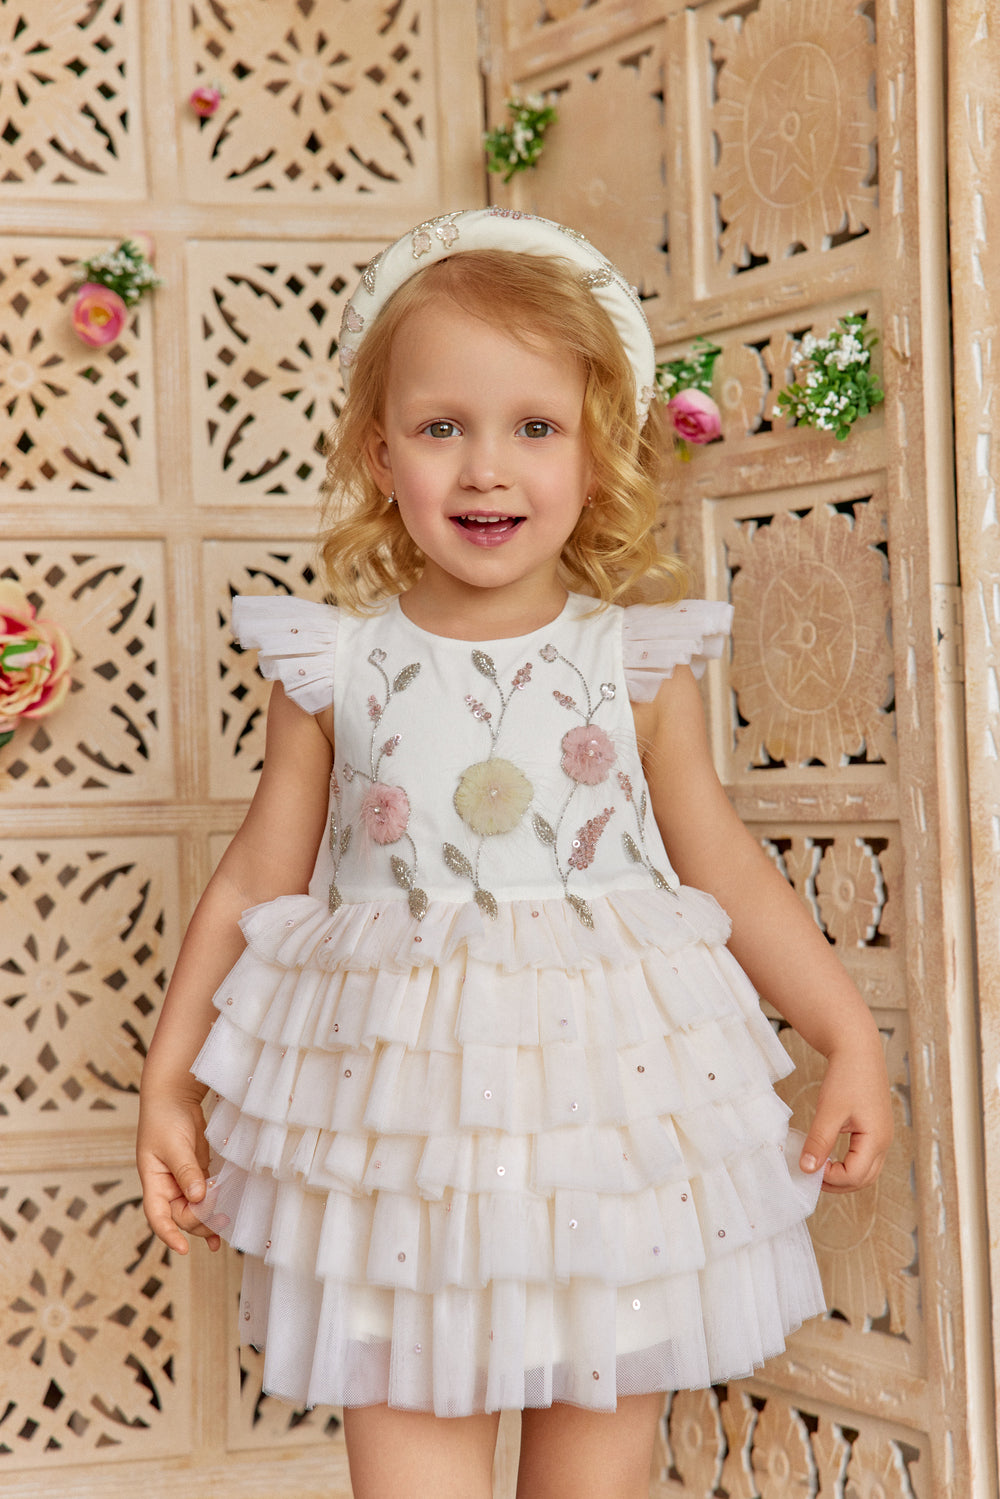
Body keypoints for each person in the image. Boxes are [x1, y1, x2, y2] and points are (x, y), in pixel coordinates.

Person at [137, 209, 892, 1499]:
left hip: (601, 1139)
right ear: (381, 455)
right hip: (394, 1152)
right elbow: (258, 885)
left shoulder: (633, 663)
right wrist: (170, 1082)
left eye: (536, 428)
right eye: (443, 428)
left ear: (599, 456)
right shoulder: (335, 668)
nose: (487, 469)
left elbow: (724, 871)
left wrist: (849, 1036)